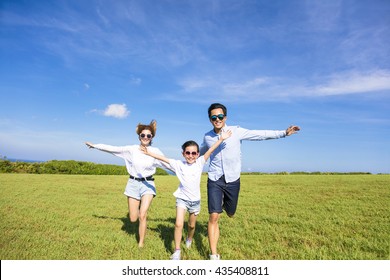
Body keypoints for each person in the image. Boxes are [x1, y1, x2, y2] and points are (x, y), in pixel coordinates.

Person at [199, 103, 300, 260]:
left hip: (233, 180)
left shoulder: (237, 131)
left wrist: (283, 133)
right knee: (213, 216)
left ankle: (226, 207)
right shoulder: (207, 136)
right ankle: (213, 255)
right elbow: (201, 151)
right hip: (214, 179)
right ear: (210, 119)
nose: (217, 119)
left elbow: (259, 134)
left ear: (225, 117)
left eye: (220, 116)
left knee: (231, 213)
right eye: (214, 117)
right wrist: (187, 158)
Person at [140, 130, 232, 260]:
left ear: (197, 154)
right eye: (188, 153)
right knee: (178, 224)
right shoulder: (178, 164)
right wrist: (148, 153)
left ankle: (189, 238)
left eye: (194, 153)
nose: (191, 155)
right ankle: (177, 251)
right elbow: (163, 158)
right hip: (182, 199)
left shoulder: (200, 162)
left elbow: (210, 150)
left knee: (191, 226)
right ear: (183, 154)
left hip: (195, 201)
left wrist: (221, 139)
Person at [85, 120, 168, 248]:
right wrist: (95, 146)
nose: (145, 138)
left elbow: (167, 163)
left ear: (152, 137)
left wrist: (185, 170)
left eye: (148, 136)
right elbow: (113, 149)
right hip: (133, 184)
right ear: (139, 136)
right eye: (143, 135)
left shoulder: (155, 151)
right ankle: (139, 206)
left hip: (148, 184)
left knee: (143, 214)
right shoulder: (131, 149)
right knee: (133, 218)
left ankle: (141, 243)